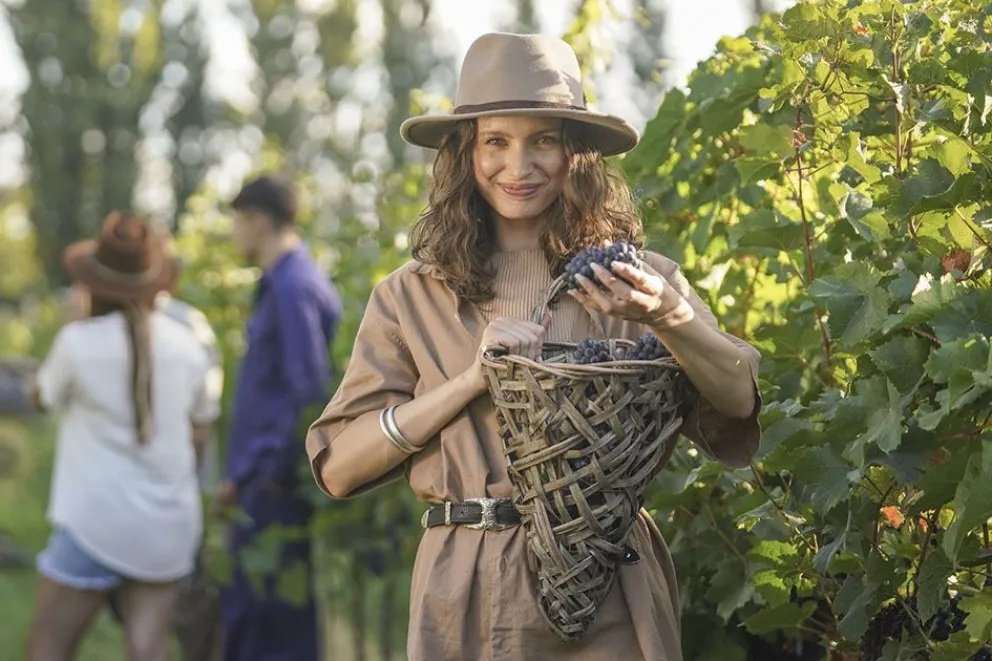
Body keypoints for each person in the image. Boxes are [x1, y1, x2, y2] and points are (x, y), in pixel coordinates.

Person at [306, 32, 762, 660]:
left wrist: (668, 314)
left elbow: (738, 400)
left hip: (610, 583)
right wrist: (470, 382)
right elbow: (338, 468)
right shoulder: (410, 295)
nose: (518, 166)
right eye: (496, 141)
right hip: (466, 588)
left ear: (576, 153)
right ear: (465, 153)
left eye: (543, 140)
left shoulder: (638, 280)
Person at [25, 211, 221, 661]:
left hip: (93, 522)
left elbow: (43, 398)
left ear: (94, 281)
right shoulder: (190, 346)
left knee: (49, 645)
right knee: (148, 647)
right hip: (168, 525)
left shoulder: (78, 342)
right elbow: (199, 432)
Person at [215, 175, 341, 661]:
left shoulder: (294, 288)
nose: (234, 234)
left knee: (270, 624)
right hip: (259, 478)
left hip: (275, 484)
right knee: (255, 615)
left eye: (237, 222)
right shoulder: (279, 283)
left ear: (259, 222)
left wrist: (264, 471)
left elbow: (307, 391)